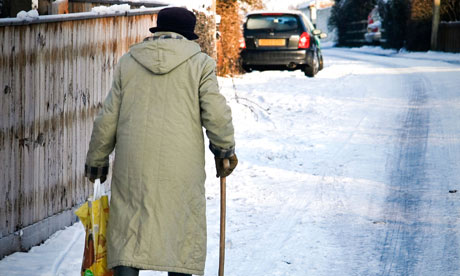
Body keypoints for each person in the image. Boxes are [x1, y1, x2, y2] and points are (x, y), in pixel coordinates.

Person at [84, 7, 238, 276]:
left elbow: (107, 117)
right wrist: (223, 148)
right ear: (190, 35)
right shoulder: (200, 64)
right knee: (179, 227)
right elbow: (215, 112)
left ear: (158, 29)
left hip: (133, 166)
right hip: (181, 167)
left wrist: (97, 160)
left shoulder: (129, 62)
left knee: (130, 228)